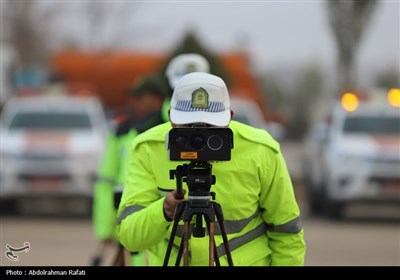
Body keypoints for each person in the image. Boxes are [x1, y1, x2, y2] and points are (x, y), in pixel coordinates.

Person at [116, 72, 306, 266]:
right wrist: (163, 211)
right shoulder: (148, 148)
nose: (199, 137)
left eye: (211, 126)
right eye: (188, 126)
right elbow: (130, 237)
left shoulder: (260, 151)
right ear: (171, 118)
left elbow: (287, 234)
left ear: (229, 118)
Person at [92, 73, 169, 266]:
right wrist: (106, 228)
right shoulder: (122, 131)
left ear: (157, 100)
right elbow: (106, 181)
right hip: (128, 223)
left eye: (139, 97)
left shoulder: (170, 134)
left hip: (158, 229)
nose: (132, 102)